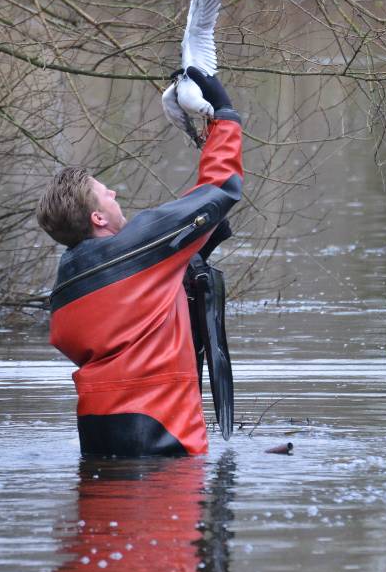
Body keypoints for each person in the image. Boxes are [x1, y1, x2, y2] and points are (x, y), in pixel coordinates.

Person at [36, 68, 243, 457]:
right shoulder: (135, 252)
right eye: (104, 194)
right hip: (161, 438)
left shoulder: (69, 282)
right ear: (97, 219)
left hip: (100, 435)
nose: (113, 192)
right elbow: (219, 189)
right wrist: (224, 116)